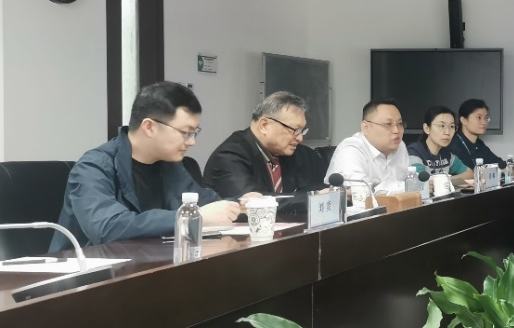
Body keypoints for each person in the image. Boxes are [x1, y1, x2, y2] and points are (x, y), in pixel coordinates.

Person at [53, 81, 240, 249]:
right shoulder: (93, 167)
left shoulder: (169, 164)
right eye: (185, 133)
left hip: (148, 264)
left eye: (194, 133)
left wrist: (241, 204)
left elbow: (205, 203)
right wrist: (190, 218)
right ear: (149, 127)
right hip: (90, 272)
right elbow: (107, 228)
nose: (192, 142)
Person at [203, 92, 327, 205]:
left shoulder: (297, 153)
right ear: (264, 125)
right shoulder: (229, 156)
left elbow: (316, 187)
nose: (300, 138)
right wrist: (312, 197)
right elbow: (252, 203)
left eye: (302, 131)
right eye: (295, 130)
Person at [325, 99, 412, 192]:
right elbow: (359, 191)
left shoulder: (400, 146)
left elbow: (411, 181)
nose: (396, 130)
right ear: (365, 127)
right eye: (388, 124)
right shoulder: (350, 150)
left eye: (400, 124)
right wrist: (407, 187)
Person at [407, 106, 474, 180]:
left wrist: (448, 180)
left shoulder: (446, 155)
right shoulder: (414, 152)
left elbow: (469, 173)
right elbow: (419, 180)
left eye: (452, 126)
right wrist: (445, 181)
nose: (447, 132)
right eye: (442, 126)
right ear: (427, 128)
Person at [449, 99, 501, 168]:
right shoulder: (453, 146)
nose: (484, 122)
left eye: (486, 118)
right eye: (479, 117)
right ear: (464, 120)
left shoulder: (479, 144)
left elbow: (498, 163)